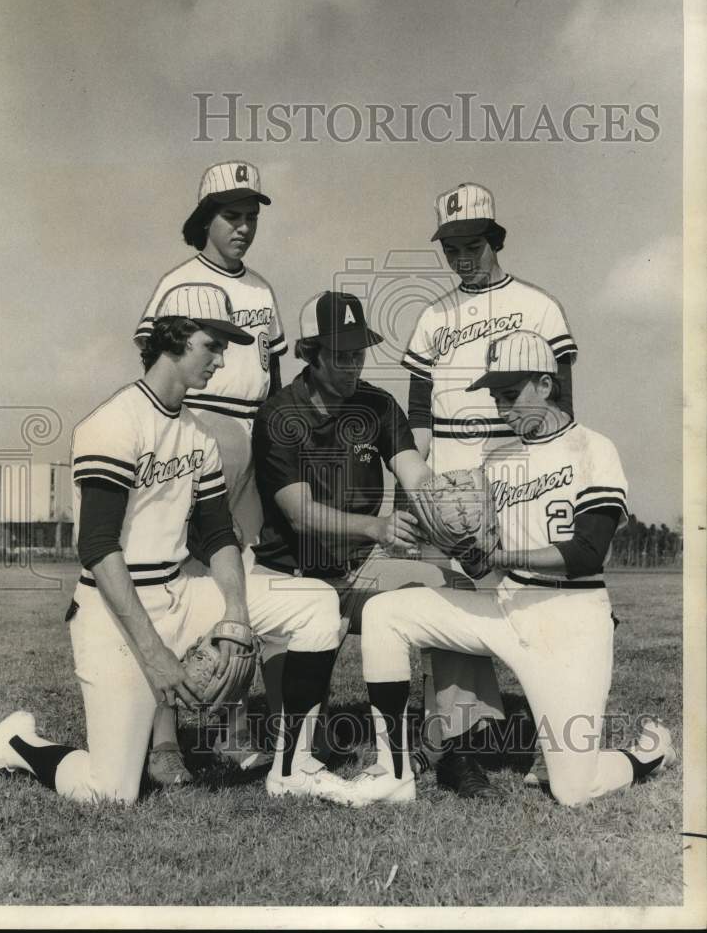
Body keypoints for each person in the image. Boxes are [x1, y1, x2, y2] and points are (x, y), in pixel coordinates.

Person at [0, 283, 354, 807]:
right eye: (213, 344)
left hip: (182, 590)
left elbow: (216, 534)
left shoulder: (200, 434)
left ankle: (294, 766)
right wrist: (156, 654)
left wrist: (235, 612)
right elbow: (96, 546)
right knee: (111, 792)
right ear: (176, 339)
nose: (222, 358)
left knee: (317, 603)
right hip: (114, 609)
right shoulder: (113, 423)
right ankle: (19, 742)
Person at [335, 329, 676, 807]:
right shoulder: (496, 459)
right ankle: (391, 768)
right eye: (495, 396)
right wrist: (448, 535)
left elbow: (586, 554)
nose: (502, 408)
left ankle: (646, 755)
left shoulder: (593, 448)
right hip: (503, 608)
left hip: (570, 617)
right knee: (385, 613)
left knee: (571, 790)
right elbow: (480, 556)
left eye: (511, 394)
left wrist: (498, 557)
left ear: (545, 383)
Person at [251, 290, 502, 791]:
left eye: (358, 353)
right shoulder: (280, 413)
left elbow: (415, 475)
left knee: (449, 587)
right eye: (339, 355)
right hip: (292, 579)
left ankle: (450, 745)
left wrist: (455, 519)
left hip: (361, 568)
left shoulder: (378, 405)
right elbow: (299, 515)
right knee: (303, 746)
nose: (350, 365)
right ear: (309, 354)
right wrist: (377, 527)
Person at [402, 181, 578, 791]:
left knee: (536, 599)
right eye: (450, 247)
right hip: (450, 474)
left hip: (515, 464)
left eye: (471, 243)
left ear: (495, 239)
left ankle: (560, 731)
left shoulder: (539, 306)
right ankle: (459, 741)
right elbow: (418, 413)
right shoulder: (432, 316)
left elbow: (563, 406)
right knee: (452, 603)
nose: (461, 256)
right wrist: (417, 489)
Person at [134, 161, 286, 770]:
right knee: (173, 578)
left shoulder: (262, 290)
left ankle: (232, 725)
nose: (244, 226)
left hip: (251, 433)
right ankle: (165, 737)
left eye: (251, 215)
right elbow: (155, 368)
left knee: (236, 580)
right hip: (195, 428)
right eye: (231, 214)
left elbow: (275, 377)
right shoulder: (178, 283)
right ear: (204, 221)